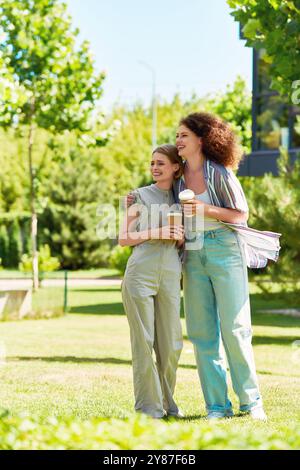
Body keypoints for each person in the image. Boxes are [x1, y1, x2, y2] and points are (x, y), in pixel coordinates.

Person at [174, 112, 281, 421]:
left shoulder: (218, 173)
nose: (178, 140)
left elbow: (240, 215)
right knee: (201, 331)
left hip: (225, 248)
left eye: (184, 135)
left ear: (201, 139)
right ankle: (217, 407)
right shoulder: (179, 177)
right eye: (177, 135)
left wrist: (203, 208)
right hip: (193, 253)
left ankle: (251, 403)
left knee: (235, 329)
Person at [119, 144, 185, 419]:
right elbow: (124, 238)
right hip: (140, 272)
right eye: (152, 163)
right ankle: (149, 408)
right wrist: (158, 230)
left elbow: (187, 238)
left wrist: (180, 236)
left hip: (170, 272)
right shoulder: (139, 196)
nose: (155, 168)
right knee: (144, 342)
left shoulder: (184, 198)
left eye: (161, 163)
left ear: (175, 167)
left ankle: (168, 402)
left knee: (171, 344)